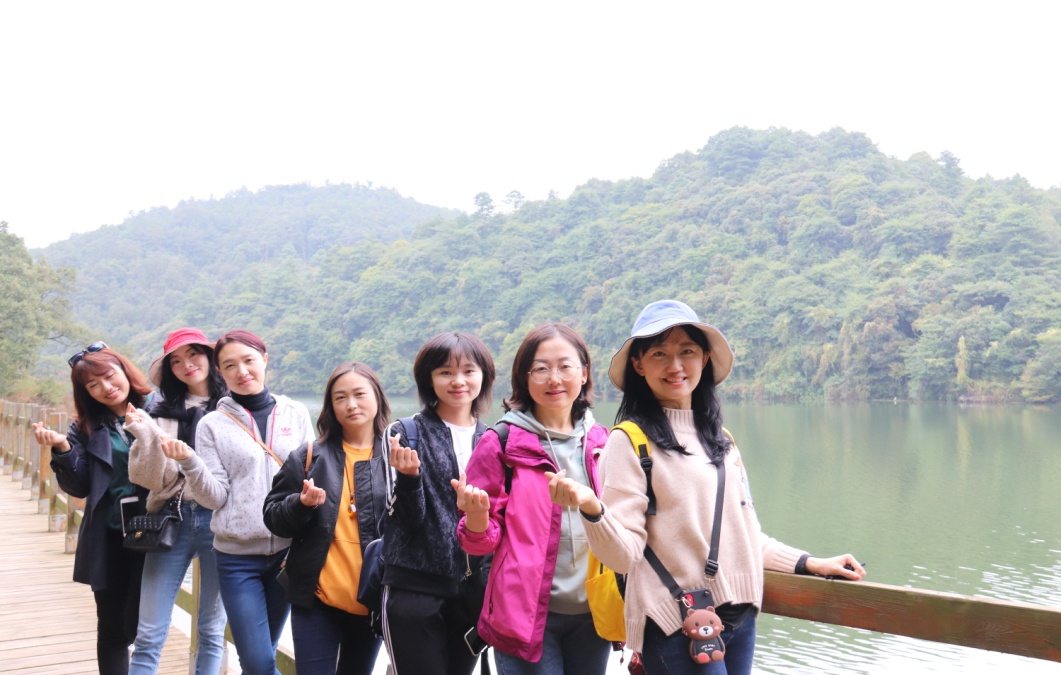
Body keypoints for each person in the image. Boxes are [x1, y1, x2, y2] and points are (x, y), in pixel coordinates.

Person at [551, 300, 866, 675]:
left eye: (687, 351)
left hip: (739, 616)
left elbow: (744, 534)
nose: (675, 365)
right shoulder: (629, 442)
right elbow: (623, 556)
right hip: (675, 623)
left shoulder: (722, 440)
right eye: (659, 354)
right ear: (639, 364)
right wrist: (592, 509)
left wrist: (809, 563)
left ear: (704, 358)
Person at [454, 324, 611, 675]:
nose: (554, 379)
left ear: (584, 373)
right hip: (524, 615)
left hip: (594, 612)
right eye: (541, 369)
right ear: (524, 378)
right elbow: (477, 543)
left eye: (565, 366)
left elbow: (619, 526)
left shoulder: (603, 442)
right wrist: (477, 518)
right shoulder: (502, 442)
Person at [160, 329, 314, 675]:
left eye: (248, 360)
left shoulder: (295, 413)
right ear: (220, 371)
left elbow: (312, 474)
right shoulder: (212, 424)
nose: (242, 371)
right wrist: (190, 463)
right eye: (230, 365)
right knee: (258, 663)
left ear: (265, 359)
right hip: (237, 559)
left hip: (288, 555)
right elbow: (214, 497)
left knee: (265, 655)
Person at [32, 342, 153, 674]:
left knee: (144, 624)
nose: (106, 388)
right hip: (112, 536)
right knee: (113, 628)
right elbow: (79, 486)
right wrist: (63, 447)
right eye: (93, 385)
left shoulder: (159, 410)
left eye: (109, 376)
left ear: (124, 370)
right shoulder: (85, 427)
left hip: (159, 534)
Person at [263, 362, 391, 675]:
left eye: (360, 394)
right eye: (340, 397)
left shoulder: (396, 457)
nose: (351, 404)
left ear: (377, 397)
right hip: (316, 598)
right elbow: (273, 515)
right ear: (330, 406)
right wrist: (300, 504)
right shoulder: (309, 456)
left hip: (371, 598)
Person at [382, 332, 496, 675]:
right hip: (414, 590)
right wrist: (409, 478)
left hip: (471, 593)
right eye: (445, 372)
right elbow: (403, 521)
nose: (458, 381)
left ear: (484, 376)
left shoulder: (494, 439)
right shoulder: (405, 433)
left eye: (468, 371)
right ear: (428, 379)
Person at [123, 328, 228, 675]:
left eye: (193, 354)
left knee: (211, 630)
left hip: (220, 521)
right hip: (172, 517)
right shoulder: (160, 412)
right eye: (176, 361)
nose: (187, 365)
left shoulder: (234, 408)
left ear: (210, 357)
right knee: (149, 633)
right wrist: (145, 434)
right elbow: (151, 479)